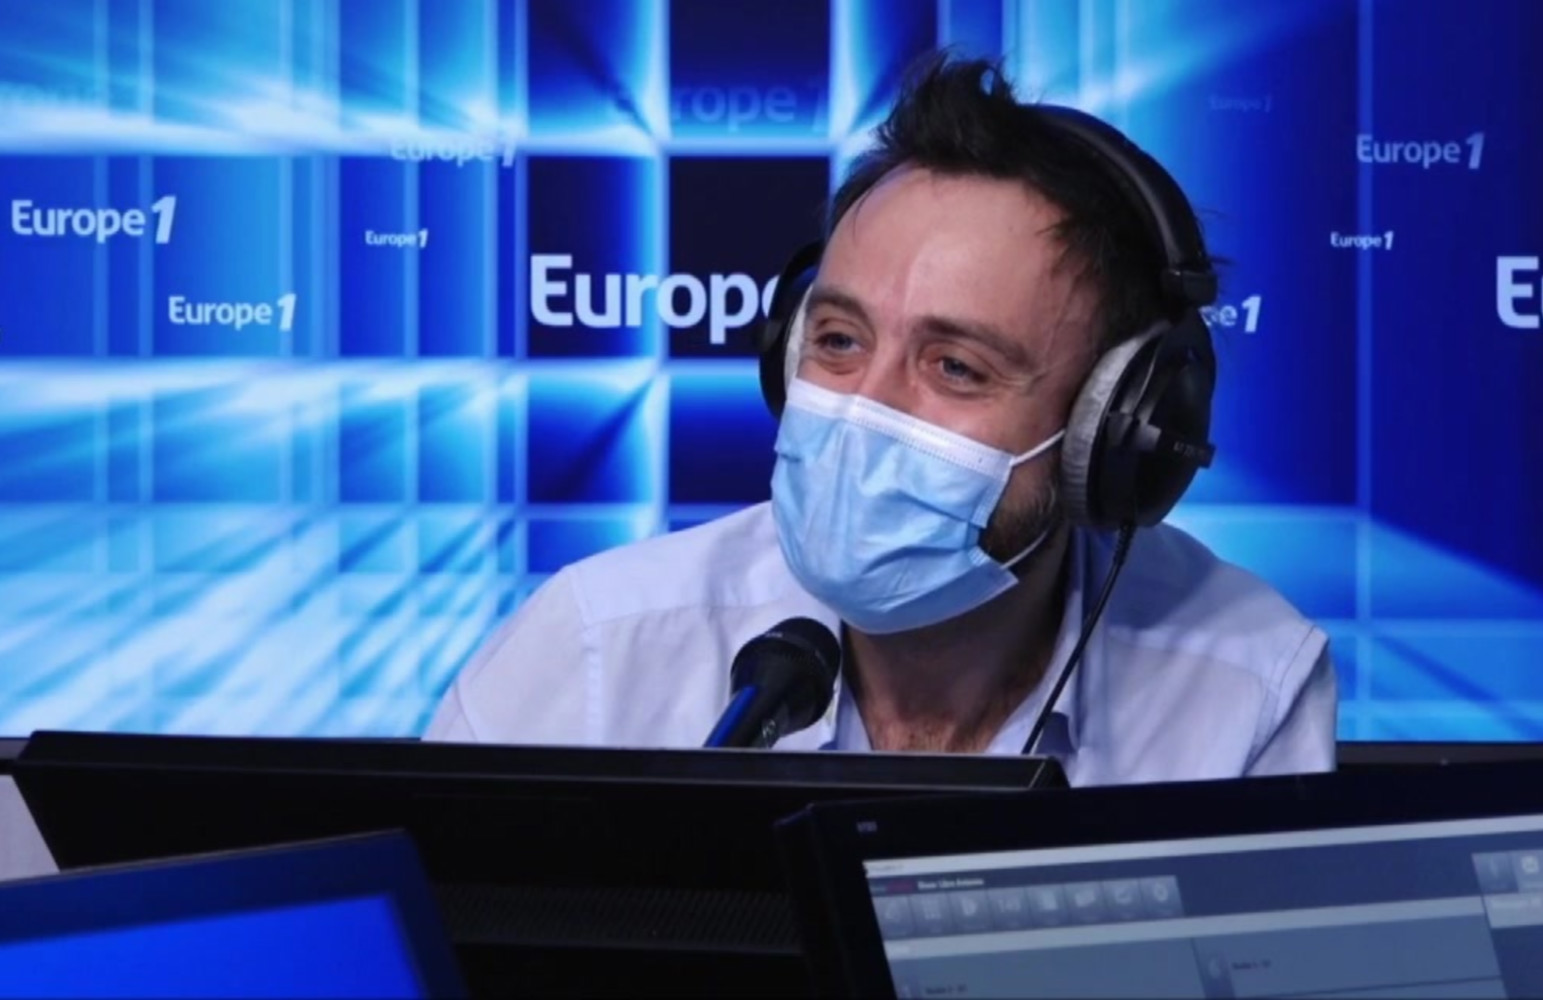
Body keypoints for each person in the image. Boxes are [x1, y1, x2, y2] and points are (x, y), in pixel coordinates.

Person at [424, 52, 1337, 785]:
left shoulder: (1245, 684)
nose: (865, 405)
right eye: (838, 340)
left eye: (955, 366)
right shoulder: (593, 653)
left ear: (1111, 433)